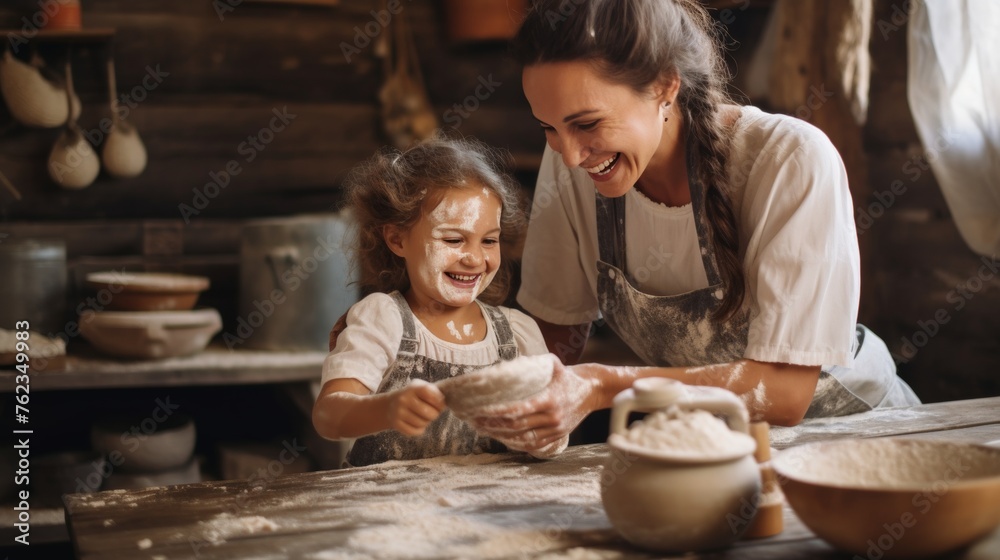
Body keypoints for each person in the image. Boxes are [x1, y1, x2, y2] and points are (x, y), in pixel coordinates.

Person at [472, 0, 921, 451]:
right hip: (724, 445)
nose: (569, 154)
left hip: (863, 436)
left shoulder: (789, 159)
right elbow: (554, 339)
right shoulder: (572, 164)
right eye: (548, 128)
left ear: (665, 86)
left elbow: (784, 395)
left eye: (587, 123)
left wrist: (603, 385)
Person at [312, 135, 548, 467]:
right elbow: (328, 415)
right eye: (454, 239)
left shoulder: (518, 334)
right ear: (397, 239)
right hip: (388, 507)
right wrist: (387, 409)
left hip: (487, 511)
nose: (475, 258)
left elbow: (552, 420)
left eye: (489, 241)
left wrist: (546, 436)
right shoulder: (383, 319)